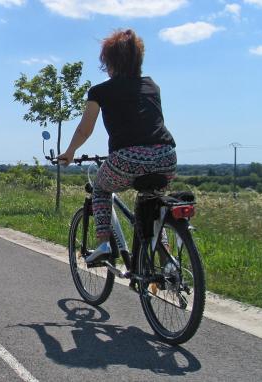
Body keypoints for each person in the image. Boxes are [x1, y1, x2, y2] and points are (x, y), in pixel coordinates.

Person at [57, 29, 176, 263]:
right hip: (166, 157)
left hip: (127, 159)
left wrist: (70, 152)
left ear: (108, 62)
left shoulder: (100, 91)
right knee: (152, 204)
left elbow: (85, 129)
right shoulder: (152, 85)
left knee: (100, 189)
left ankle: (103, 244)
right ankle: (167, 262)